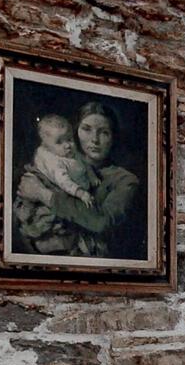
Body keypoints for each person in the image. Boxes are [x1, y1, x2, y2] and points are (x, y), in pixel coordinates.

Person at [13, 98, 143, 259]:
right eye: (86, 129)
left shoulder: (125, 180)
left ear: (113, 137)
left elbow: (101, 221)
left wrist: (43, 194)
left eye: (104, 132)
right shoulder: (54, 162)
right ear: (75, 132)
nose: (94, 140)